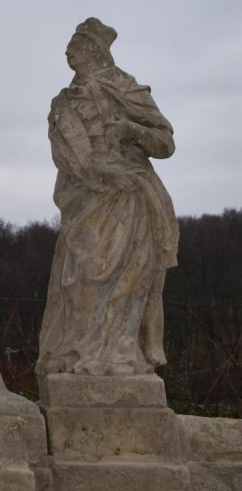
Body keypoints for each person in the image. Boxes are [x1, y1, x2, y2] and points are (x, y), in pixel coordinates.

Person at [38, 19, 179, 377]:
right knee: (81, 280)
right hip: (84, 198)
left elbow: (165, 143)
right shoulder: (64, 101)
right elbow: (64, 154)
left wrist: (131, 130)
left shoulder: (124, 86)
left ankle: (120, 356)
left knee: (127, 280)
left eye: (75, 44)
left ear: (94, 50)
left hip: (128, 195)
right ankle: (75, 353)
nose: (68, 51)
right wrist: (95, 170)